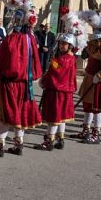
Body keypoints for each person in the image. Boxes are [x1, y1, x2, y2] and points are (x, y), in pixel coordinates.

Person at [0, 0, 42, 157]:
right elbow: (37, 66)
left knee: (3, 115)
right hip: (25, 85)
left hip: (9, 84)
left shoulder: (11, 39)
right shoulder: (31, 39)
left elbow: (0, 65)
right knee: (19, 115)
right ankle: (18, 144)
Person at [36, 10, 84, 151]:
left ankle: (49, 141)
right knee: (62, 117)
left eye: (64, 44)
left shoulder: (63, 60)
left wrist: (44, 81)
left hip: (57, 91)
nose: (61, 46)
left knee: (54, 117)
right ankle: (60, 138)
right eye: (61, 44)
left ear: (70, 45)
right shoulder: (70, 59)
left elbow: (54, 75)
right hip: (65, 92)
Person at [72, 11, 101, 145]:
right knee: (88, 107)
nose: (96, 41)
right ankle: (85, 130)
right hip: (89, 79)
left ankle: (95, 134)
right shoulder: (96, 48)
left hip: (98, 83)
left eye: (98, 40)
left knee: (97, 109)